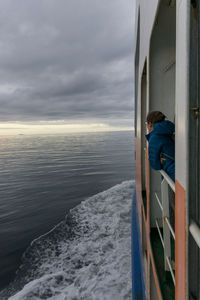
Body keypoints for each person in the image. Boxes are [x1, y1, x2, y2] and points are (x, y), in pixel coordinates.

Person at [145, 111, 175, 182]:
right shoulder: (168, 130)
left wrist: (159, 161)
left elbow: (155, 164)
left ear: (150, 124)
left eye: (146, 124)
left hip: (170, 172)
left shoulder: (154, 137)